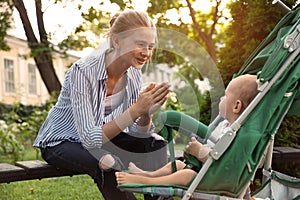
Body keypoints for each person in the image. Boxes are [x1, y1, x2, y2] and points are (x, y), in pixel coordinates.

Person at [33, 10, 170, 200]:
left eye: (150, 46)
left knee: (156, 144)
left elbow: (135, 132)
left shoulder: (133, 74)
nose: (146, 53)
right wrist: (135, 110)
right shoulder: (83, 72)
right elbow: (89, 138)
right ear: (116, 41)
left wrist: (145, 113)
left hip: (101, 138)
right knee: (108, 162)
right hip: (62, 142)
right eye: (140, 44)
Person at [115, 74, 259, 186]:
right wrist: (195, 152)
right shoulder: (224, 126)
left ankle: (145, 181)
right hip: (204, 171)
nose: (221, 98)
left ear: (236, 106)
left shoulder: (237, 135)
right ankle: (148, 175)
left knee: (186, 175)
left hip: (216, 180)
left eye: (225, 96)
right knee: (177, 165)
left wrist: (200, 152)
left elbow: (227, 164)